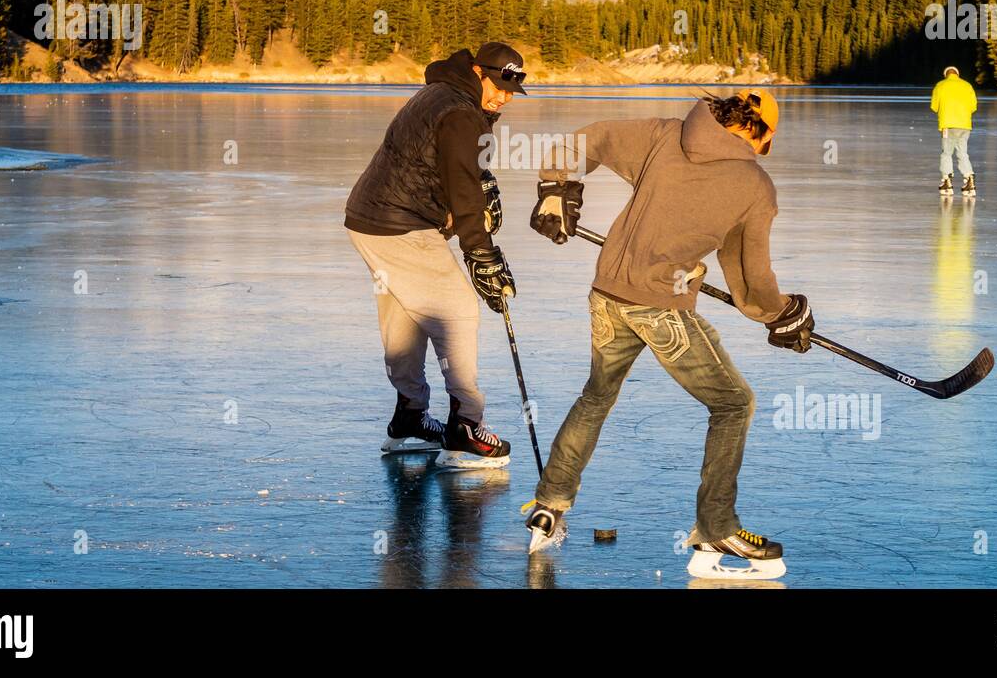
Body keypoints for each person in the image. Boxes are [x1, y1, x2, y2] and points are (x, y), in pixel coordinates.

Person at [521, 89, 813, 579]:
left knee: (596, 397)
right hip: (658, 305)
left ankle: (550, 505)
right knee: (733, 404)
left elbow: (587, 140)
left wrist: (555, 187)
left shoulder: (666, 134)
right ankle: (717, 527)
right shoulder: (754, 186)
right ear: (758, 134)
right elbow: (750, 276)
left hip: (607, 293)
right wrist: (781, 314)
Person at [345, 42, 528, 469]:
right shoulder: (462, 113)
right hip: (400, 224)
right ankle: (465, 428)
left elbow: (445, 170)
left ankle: (410, 415)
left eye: (510, 91)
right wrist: (482, 255)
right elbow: (464, 191)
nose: (502, 97)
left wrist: (474, 193)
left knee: (407, 314)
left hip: (369, 219)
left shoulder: (443, 93)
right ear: (480, 73)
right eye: (498, 86)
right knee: (457, 310)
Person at [931, 66, 978, 197]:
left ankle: (947, 180)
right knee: (962, 152)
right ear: (957, 74)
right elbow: (974, 106)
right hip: (964, 126)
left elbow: (934, 106)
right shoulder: (967, 85)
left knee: (946, 153)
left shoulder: (940, 85)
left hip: (948, 125)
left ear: (946, 74)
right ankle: (969, 178)